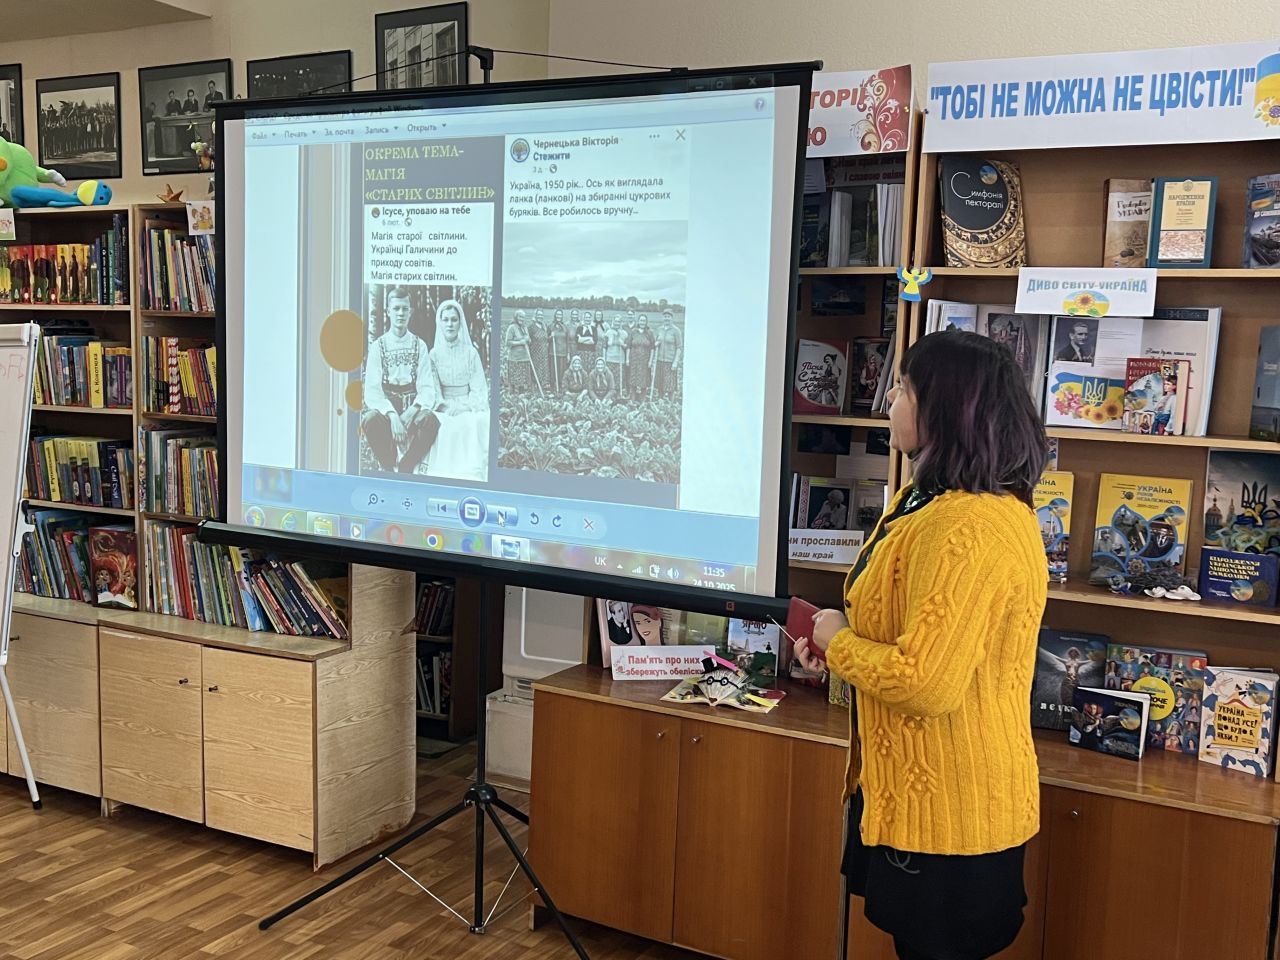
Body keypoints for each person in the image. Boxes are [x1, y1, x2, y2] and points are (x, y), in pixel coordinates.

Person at [806, 330, 1048, 960]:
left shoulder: (966, 522)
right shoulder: (930, 501)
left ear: (947, 408)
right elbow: (912, 631)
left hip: (953, 814)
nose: (890, 397)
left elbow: (926, 681)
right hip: (921, 800)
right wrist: (837, 646)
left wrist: (839, 645)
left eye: (905, 388)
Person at [361, 286, 440, 473]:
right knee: (369, 420)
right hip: (388, 409)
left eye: (405, 309)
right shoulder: (378, 346)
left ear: (410, 312)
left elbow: (427, 388)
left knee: (430, 420)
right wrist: (392, 415)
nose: (400, 313)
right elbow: (372, 390)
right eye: (396, 308)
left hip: (412, 408)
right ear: (388, 311)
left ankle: (407, 465)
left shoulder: (420, 345)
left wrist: (412, 411)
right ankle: (388, 466)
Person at [427, 299, 489, 482]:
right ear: (439, 323)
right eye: (445, 320)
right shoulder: (433, 354)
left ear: (460, 323)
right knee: (443, 424)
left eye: (454, 320)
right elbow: (433, 388)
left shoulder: (471, 353)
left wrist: (465, 407)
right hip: (443, 405)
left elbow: (478, 388)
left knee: (476, 421)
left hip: (466, 403)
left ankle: (468, 474)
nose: (450, 324)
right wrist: (444, 406)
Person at [654, 309, 683, 399]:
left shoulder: (676, 331)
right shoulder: (659, 329)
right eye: (665, 316)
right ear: (663, 318)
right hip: (660, 360)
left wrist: (675, 362)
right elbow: (655, 342)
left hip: (670, 362)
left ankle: (670, 404)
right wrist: (656, 343)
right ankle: (660, 402)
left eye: (668, 317)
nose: (666, 318)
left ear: (672, 318)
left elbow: (679, 347)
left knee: (670, 386)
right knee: (660, 385)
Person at [505, 310, 534, 394]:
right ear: (516, 317)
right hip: (515, 358)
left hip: (525, 357)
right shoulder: (512, 328)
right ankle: (511, 395)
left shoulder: (524, 327)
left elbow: (528, 340)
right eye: (520, 317)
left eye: (523, 317)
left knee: (522, 379)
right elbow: (508, 342)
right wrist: (520, 342)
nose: (522, 319)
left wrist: (528, 340)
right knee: (513, 378)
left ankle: (521, 395)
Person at [628, 314, 656, 399]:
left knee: (644, 379)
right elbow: (629, 346)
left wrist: (650, 361)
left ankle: (642, 399)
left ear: (646, 322)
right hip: (634, 359)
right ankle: (633, 398)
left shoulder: (649, 333)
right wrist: (627, 359)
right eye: (641, 320)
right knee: (633, 378)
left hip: (645, 360)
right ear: (638, 321)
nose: (642, 322)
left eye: (644, 321)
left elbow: (652, 348)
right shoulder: (633, 331)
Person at [602, 316, 628, 397]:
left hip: (620, 359)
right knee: (610, 378)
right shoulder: (608, 333)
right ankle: (609, 395)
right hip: (610, 359)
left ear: (621, 323)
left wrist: (622, 344)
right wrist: (604, 359)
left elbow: (627, 347)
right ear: (613, 322)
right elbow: (604, 347)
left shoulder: (624, 334)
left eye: (619, 322)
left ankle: (618, 395)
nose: (617, 323)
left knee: (619, 379)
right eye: (616, 321)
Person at [528, 308, 551, 396]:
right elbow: (528, 339)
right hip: (535, 352)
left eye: (541, 315)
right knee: (536, 368)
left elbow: (546, 339)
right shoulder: (531, 327)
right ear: (535, 316)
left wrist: (551, 337)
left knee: (544, 369)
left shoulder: (544, 326)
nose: (540, 316)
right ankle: (535, 388)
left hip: (544, 352)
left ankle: (543, 386)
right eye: (539, 315)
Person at [549, 308, 569, 393]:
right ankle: (553, 387)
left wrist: (568, 353)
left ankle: (561, 386)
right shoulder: (551, 326)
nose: (559, 316)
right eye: (557, 314)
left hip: (563, 352)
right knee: (553, 370)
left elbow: (567, 340)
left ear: (562, 316)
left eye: (560, 315)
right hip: (553, 352)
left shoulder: (565, 327)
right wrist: (551, 336)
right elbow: (547, 339)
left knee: (562, 371)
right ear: (555, 315)